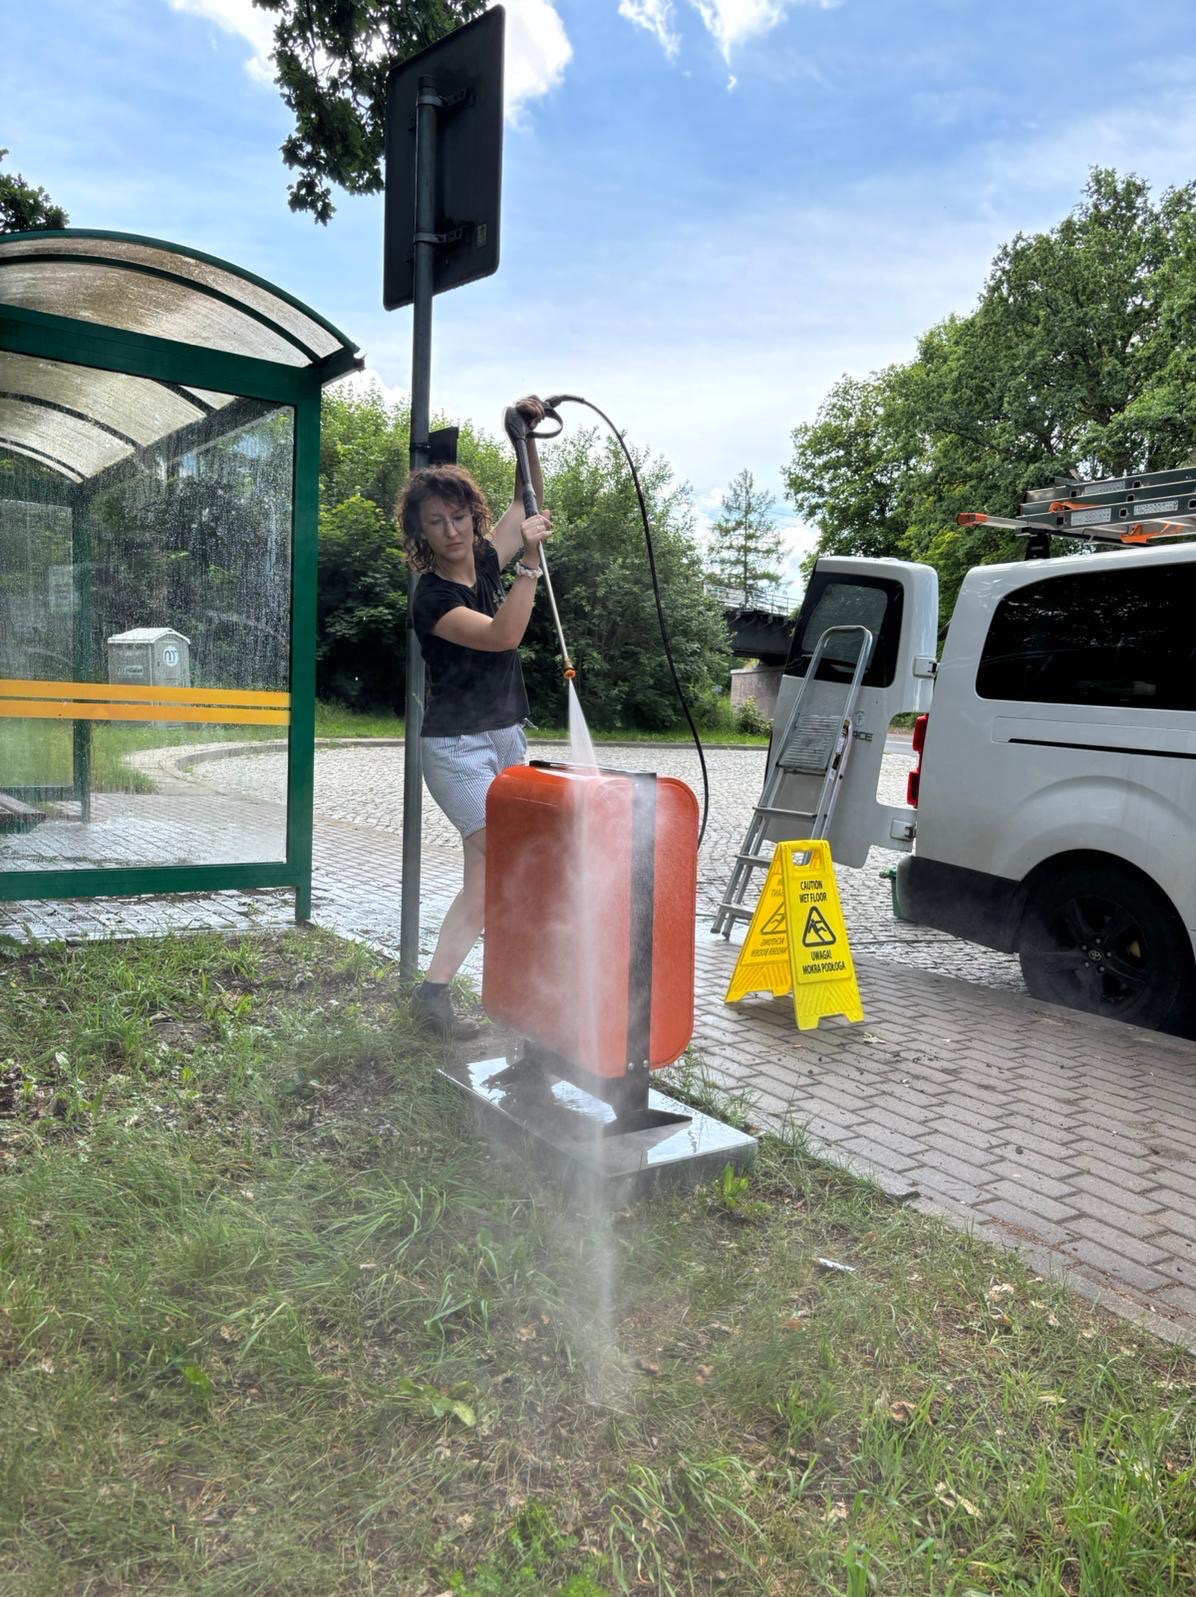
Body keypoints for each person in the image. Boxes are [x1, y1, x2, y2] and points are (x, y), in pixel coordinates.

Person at [398, 396, 553, 1040]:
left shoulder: (487, 556)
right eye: (437, 522)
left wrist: (523, 436)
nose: (453, 531)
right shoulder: (431, 598)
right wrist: (530, 567)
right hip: (456, 749)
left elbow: (532, 505)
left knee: (490, 874)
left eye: (459, 517)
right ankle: (451, 993)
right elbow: (502, 636)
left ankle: (447, 998)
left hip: (504, 735)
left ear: (471, 517)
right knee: (502, 868)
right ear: (422, 534)